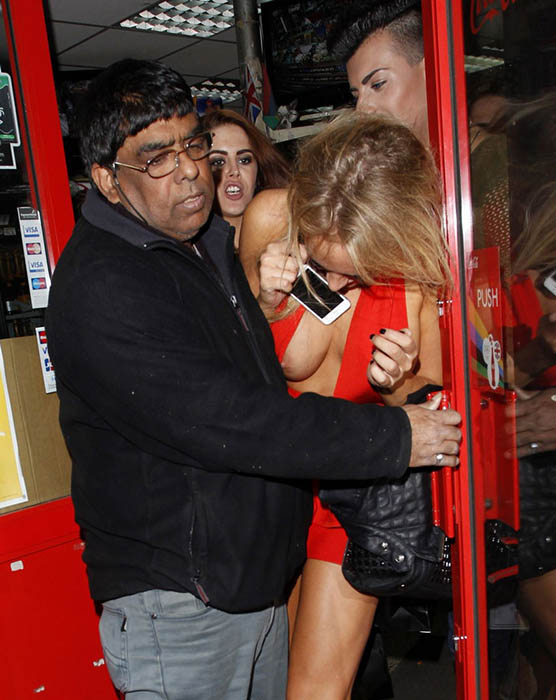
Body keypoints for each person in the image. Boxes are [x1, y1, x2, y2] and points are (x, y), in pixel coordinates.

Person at [45, 58, 461, 700]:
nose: (190, 169)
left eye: (193, 146)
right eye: (157, 158)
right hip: (184, 597)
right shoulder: (106, 284)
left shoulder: (204, 242)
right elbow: (230, 418)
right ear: (107, 178)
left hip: (254, 573)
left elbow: (254, 373)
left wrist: (273, 310)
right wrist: (396, 434)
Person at [240, 111, 450, 700]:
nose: (334, 280)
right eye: (322, 261)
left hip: (351, 500)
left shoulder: (414, 272)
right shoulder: (271, 219)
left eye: (352, 270)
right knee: (260, 678)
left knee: (316, 689)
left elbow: (430, 405)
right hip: (268, 486)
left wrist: (398, 382)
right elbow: (233, 367)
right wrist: (264, 302)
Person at [202, 109, 290, 246]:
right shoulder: (191, 251)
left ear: (259, 169)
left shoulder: (295, 239)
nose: (234, 171)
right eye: (218, 162)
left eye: (244, 160)